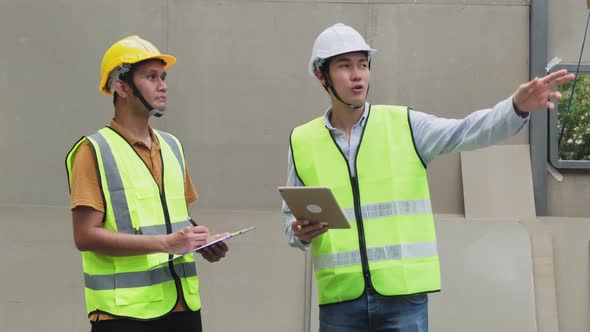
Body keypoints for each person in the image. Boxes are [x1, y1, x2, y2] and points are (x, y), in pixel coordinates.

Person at [282, 23, 574, 332]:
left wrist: (515, 108)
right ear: (321, 75)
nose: (358, 75)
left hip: (403, 299)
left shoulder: (405, 125)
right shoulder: (302, 141)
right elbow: (291, 220)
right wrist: (298, 231)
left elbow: (467, 131)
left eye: (363, 65)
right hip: (340, 302)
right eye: (345, 66)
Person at [65, 35, 228, 332]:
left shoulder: (172, 145)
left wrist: (199, 241)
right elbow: (84, 236)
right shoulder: (94, 150)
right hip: (124, 315)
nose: (163, 85)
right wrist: (166, 243)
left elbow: (172, 215)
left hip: (183, 306)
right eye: (151, 77)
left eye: (163, 77)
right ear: (122, 86)